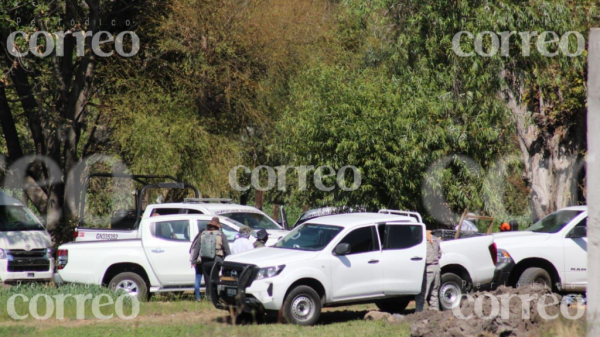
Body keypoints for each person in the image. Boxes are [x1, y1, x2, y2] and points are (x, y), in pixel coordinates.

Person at [191, 217, 231, 298]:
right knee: (214, 279)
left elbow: (197, 248)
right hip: (216, 260)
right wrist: (229, 261)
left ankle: (208, 296)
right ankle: (214, 297)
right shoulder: (221, 235)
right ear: (218, 226)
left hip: (205, 260)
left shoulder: (202, 234)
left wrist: (194, 261)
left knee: (207, 280)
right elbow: (226, 249)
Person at [416, 230, 441, 312]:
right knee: (434, 294)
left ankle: (419, 314)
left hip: (428, 268)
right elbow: (440, 254)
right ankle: (435, 314)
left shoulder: (423, 240)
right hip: (437, 268)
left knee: (422, 294)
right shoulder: (435, 239)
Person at [190, 227, 205, 301]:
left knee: (197, 279)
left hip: (196, 262)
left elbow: (190, 251)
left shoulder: (196, 239)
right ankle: (207, 297)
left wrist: (193, 261)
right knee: (207, 279)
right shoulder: (203, 239)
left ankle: (198, 297)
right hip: (203, 261)